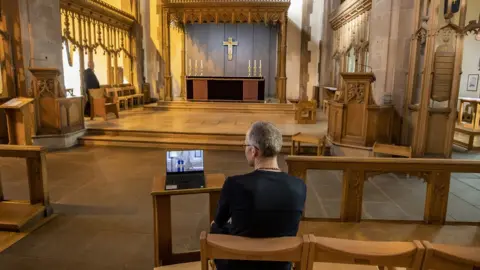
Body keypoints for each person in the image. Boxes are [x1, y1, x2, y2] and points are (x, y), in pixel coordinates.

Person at [211, 121, 307, 270]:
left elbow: (219, 223)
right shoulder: (299, 186)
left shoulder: (234, 184)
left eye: (245, 146)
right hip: (279, 266)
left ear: (254, 151)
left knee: (215, 228)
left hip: (239, 266)